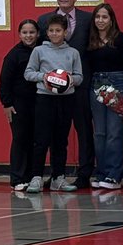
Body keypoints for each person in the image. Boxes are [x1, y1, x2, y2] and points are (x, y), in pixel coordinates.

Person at [37, 0, 94, 187]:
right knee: (54, 133)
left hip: (79, 85)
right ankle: (55, 175)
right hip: (51, 90)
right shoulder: (44, 21)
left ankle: (85, 174)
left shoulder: (88, 19)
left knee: (84, 130)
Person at [23, 15, 83, 193]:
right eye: (51, 31)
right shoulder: (39, 51)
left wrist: (70, 80)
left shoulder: (73, 53)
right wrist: (46, 77)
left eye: (58, 30)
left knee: (60, 140)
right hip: (44, 99)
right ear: (46, 32)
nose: (54, 34)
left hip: (66, 100)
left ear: (65, 32)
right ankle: (36, 178)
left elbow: (80, 77)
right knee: (41, 140)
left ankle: (59, 177)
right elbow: (28, 73)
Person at [85, 3, 123, 190]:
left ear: (111, 19)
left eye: (104, 17)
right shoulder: (90, 39)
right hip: (96, 85)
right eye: (97, 17)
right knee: (99, 133)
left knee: (115, 132)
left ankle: (114, 175)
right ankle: (101, 172)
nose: (100, 20)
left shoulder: (121, 39)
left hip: (118, 84)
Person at [0, 19, 39, 191]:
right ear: (19, 34)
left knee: (35, 140)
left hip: (38, 102)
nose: (28, 36)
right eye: (25, 32)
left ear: (37, 33)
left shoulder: (41, 51)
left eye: (31, 32)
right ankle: (17, 178)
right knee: (20, 139)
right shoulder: (13, 55)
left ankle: (31, 176)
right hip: (18, 105)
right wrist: (7, 104)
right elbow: (4, 81)